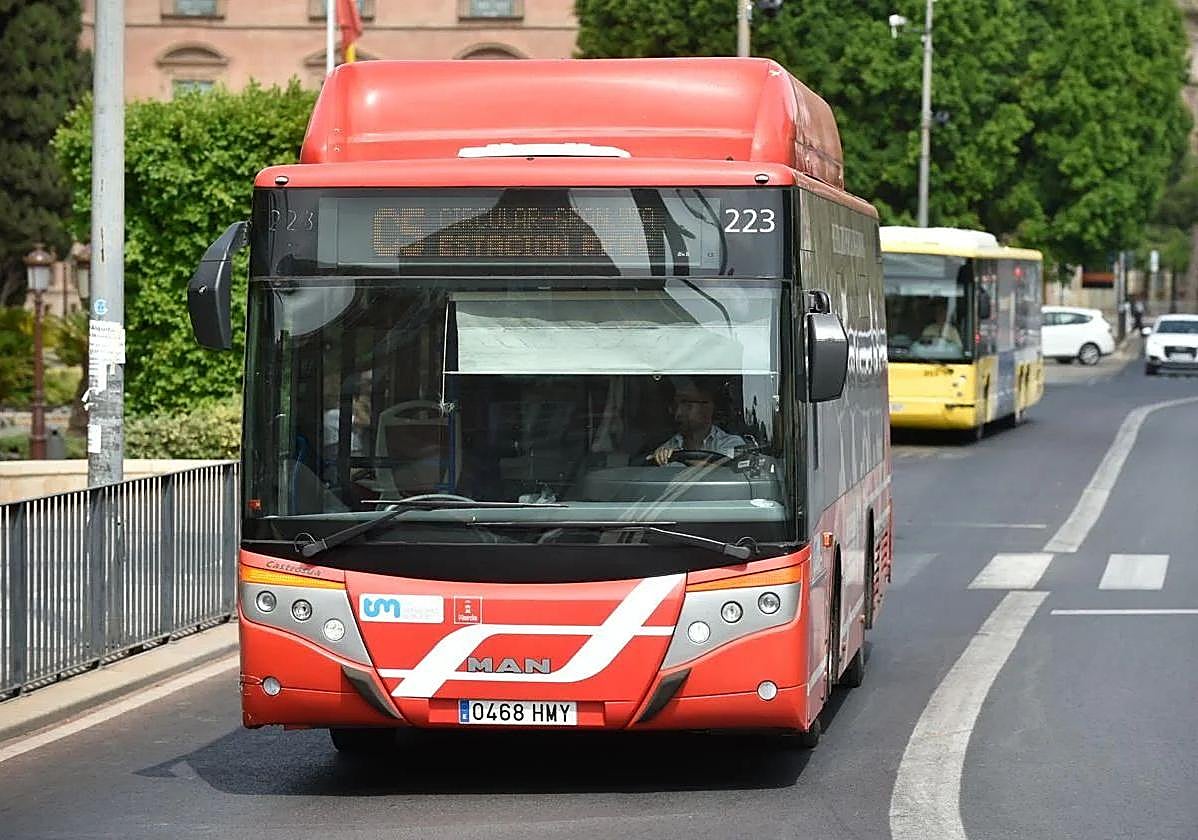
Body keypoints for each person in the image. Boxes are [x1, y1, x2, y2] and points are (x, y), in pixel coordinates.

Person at [649, 379, 745, 466]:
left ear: (707, 407)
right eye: (675, 405)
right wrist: (659, 458)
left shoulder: (732, 444)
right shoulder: (667, 448)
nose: (678, 413)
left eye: (686, 403)